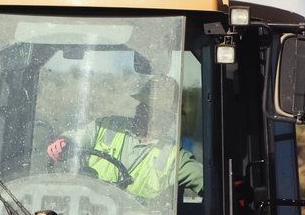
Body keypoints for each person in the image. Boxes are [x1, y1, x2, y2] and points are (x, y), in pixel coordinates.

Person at [43, 74, 203, 199]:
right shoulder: (106, 126)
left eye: (154, 109)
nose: (141, 110)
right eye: (143, 105)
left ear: (169, 116)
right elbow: (75, 137)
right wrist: (62, 142)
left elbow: (209, 184)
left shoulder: (175, 158)